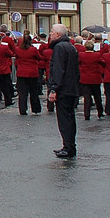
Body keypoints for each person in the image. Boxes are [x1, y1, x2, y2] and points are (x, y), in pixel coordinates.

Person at [48, 24, 80, 159]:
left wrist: (54, 88)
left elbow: (58, 69)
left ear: (58, 35)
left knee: (64, 119)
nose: (50, 34)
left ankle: (68, 147)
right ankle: (70, 145)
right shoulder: (71, 46)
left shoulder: (60, 47)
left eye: (52, 32)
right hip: (71, 87)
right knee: (69, 118)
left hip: (64, 89)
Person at [14, 32, 43, 116]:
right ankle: (35, 108)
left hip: (21, 72)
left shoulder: (18, 49)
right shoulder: (33, 50)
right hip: (32, 72)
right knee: (33, 92)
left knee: (22, 93)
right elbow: (39, 57)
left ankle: (22, 109)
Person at [78, 41, 105, 120]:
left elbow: (78, 63)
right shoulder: (97, 55)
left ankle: (87, 114)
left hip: (85, 77)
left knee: (87, 97)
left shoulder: (81, 55)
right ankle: (100, 112)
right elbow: (103, 63)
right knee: (97, 96)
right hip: (95, 78)